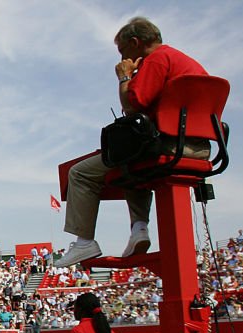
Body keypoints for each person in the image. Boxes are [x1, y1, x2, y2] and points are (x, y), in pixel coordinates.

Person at [54, 17, 210, 267]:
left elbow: (131, 107)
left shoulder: (157, 59)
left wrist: (125, 77)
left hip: (169, 145)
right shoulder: (187, 62)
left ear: (135, 43)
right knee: (128, 161)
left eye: (122, 51)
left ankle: (85, 242)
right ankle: (139, 229)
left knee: (79, 173)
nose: (122, 58)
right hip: (201, 147)